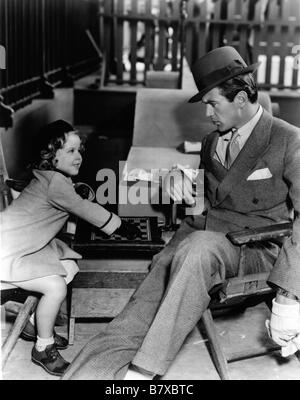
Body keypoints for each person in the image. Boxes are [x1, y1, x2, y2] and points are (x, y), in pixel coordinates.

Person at [62, 46, 300, 380]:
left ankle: (141, 376)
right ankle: (85, 374)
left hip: (254, 248)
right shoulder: (210, 142)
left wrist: (289, 297)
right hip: (199, 239)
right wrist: (176, 176)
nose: (208, 114)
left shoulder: (288, 139)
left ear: (242, 99)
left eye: (212, 104)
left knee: (196, 249)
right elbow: (209, 192)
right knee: (143, 304)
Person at [0, 119, 141, 377]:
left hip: (21, 246)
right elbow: (84, 208)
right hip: (8, 253)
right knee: (55, 285)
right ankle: (43, 348)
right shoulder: (56, 184)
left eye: (80, 150)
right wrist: (120, 226)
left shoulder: (50, 177)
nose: (79, 157)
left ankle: (34, 323)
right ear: (50, 156)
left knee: (69, 266)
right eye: (70, 151)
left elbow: (66, 197)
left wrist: (76, 193)